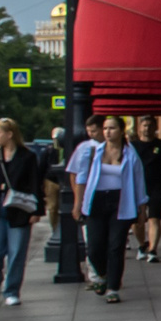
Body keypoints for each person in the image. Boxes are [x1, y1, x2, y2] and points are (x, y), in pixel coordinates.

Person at [0, 117, 45, 306]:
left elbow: (35, 184)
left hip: (18, 211)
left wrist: (37, 210)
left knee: (16, 252)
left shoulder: (26, 156)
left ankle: (11, 291)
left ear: (10, 134)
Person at [75, 114, 142, 303]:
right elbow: (81, 178)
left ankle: (113, 287)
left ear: (121, 131)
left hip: (121, 201)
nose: (107, 132)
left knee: (115, 246)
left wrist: (141, 207)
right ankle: (103, 274)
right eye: (105, 129)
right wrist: (78, 204)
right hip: (96, 201)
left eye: (112, 128)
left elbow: (138, 181)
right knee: (94, 247)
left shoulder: (130, 154)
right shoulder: (92, 152)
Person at [63, 115, 104, 282]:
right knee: (91, 240)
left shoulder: (116, 147)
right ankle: (95, 276)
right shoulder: (84, 148)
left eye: (94, 130)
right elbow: (74, 175)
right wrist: (78, 199)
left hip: (110, 198)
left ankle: (107, 273)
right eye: (88, 131)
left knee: (109, 241)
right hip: (89, 199)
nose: (90, 134)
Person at [130, 116, 161, 261]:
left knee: (154, 218)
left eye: (150, 125)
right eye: (144, 125)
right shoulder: (132, 146)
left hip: (156, 186)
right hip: (137, 187)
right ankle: (143, 244)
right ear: (139, 127)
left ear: (155, 127)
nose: (147, 128)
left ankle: (153, 250)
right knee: (137, 221)